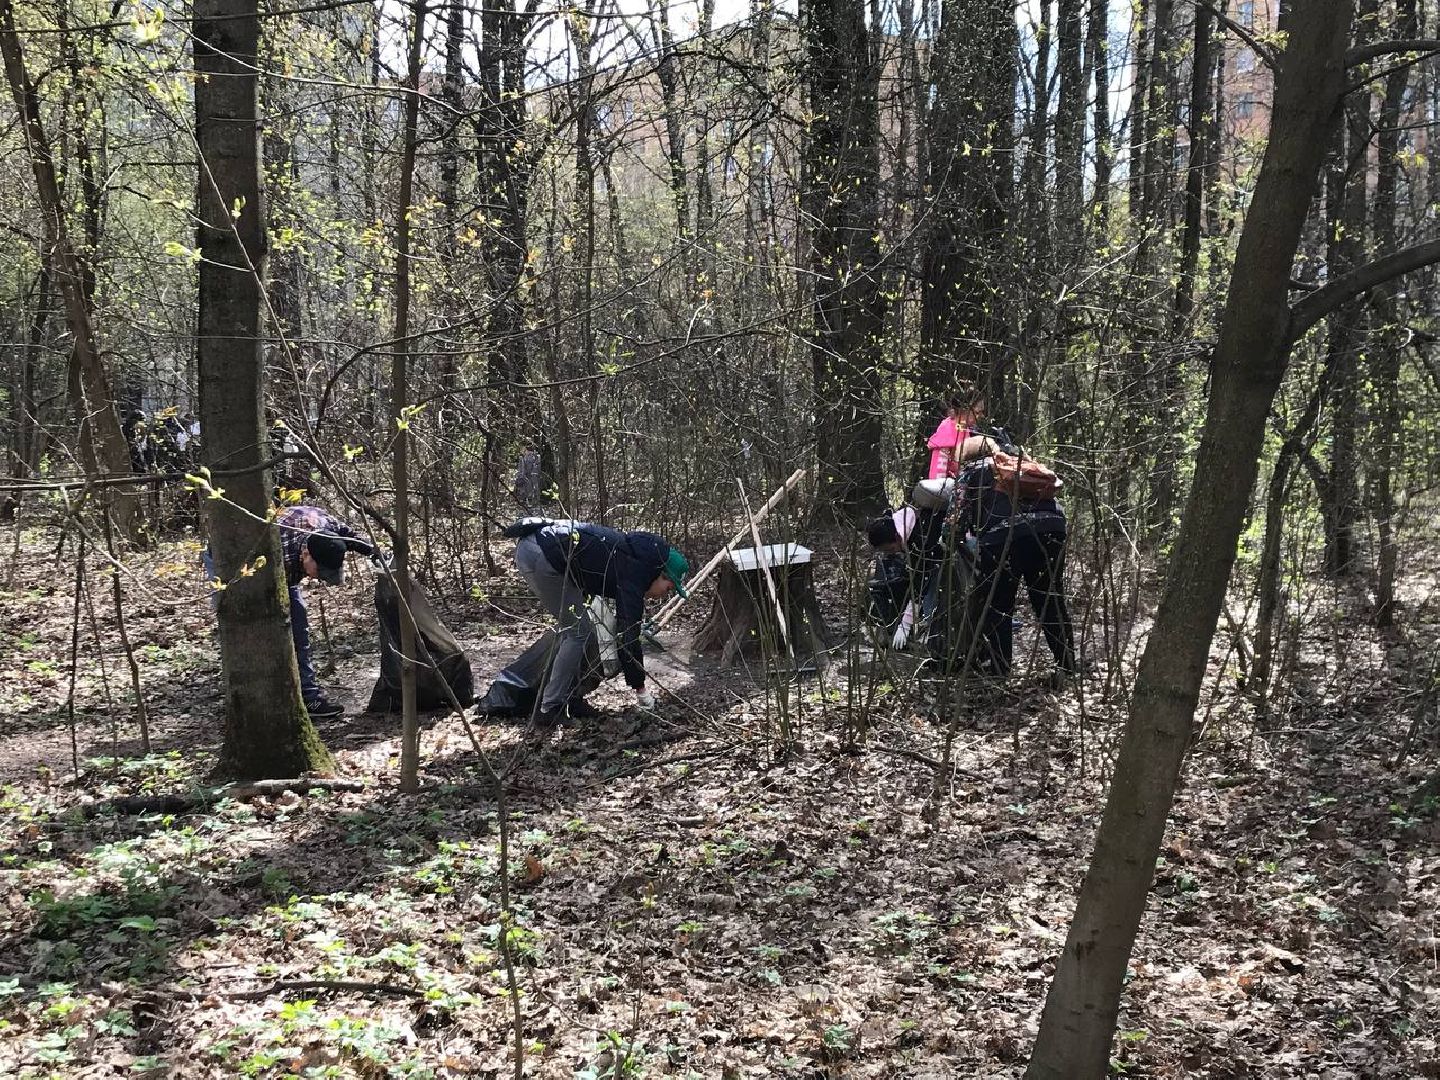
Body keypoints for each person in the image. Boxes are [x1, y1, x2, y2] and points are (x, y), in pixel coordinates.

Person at [504, 518, 690, 726]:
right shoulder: (636, 573)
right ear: (661, 575)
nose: (662, 596)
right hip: (542, 553)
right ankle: (550, 708)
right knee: (577, 632)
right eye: (668, 589)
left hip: (545, 549)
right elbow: (628, 637)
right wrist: (641, 691)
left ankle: (570, 697)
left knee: (583, 630)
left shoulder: (635, 558)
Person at [953, 457, 1077, 680]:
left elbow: (955, 525)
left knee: (999, 605)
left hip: (1004, 536)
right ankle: (1067, 666)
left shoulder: (970, 473)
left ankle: (1000, 671)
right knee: (1049, 600)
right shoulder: (1019, 464)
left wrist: (961, 544)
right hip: (1052, 527)